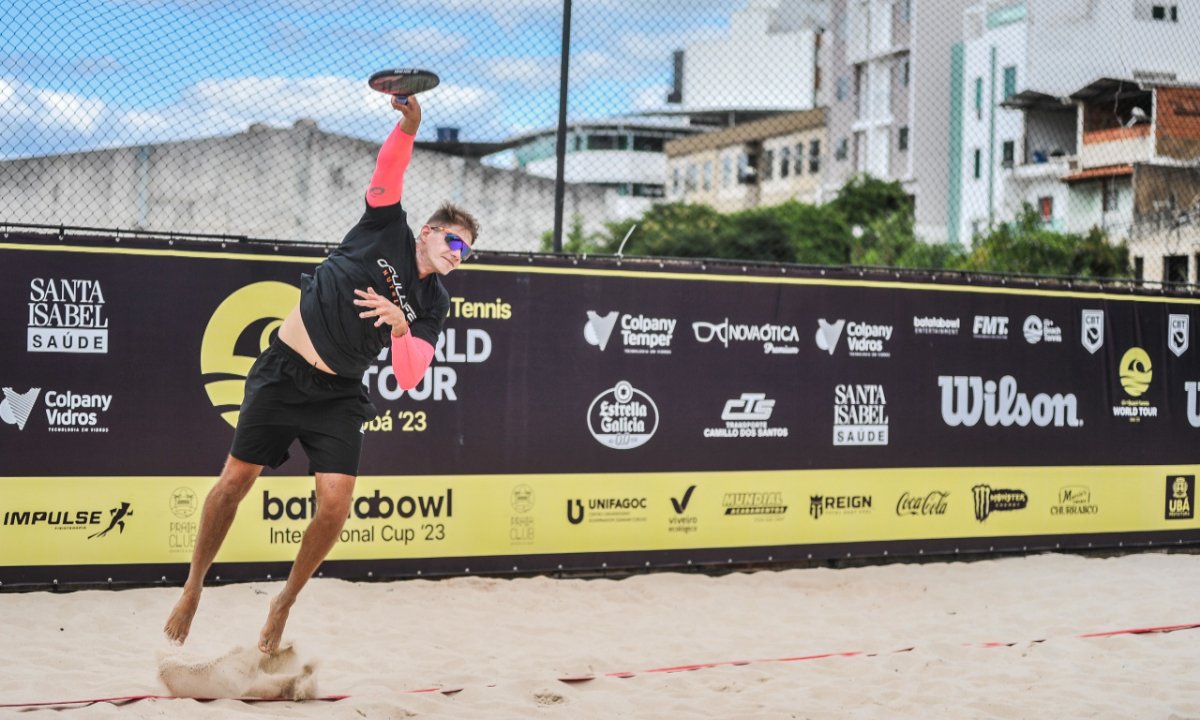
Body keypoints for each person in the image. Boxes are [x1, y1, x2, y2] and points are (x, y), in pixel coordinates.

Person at [164, 93, 480, 654]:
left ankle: (284, 601)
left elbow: (411, 375)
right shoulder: (386, 226)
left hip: (338, 393)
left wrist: (400, 326)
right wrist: (409, 126)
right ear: (429, 231)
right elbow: (389, 168)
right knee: (234, 482)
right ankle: (192, 587)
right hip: (283, 373)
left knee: (335, 506)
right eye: (454, 241)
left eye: (468, 251)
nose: (459, 254)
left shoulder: (434, 302)